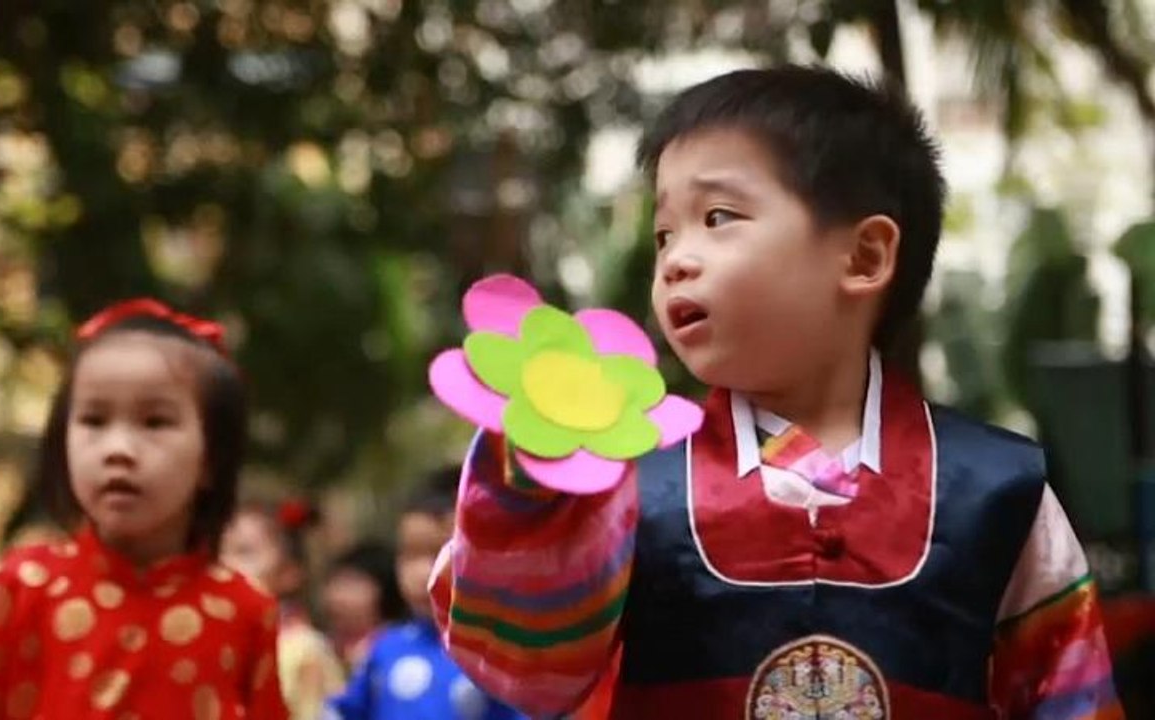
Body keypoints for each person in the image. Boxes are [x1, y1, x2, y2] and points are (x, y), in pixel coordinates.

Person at [429, 66, 1123, 719]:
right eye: (664, 233)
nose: (675, 260)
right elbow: (527, 672)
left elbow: (1074, 700)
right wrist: (530, 487)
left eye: (718, 217)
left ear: (865, 256)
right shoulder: (624, 479)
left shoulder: (1000, 489)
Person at [0, 298, 288, 718]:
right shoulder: (21, 587)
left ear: (211, 458)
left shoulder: (245, 611)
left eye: (155, 422)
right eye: (94, 421)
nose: (118, 450)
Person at [328, 469, 523, 720]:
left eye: (438, 553)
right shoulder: (384, 648)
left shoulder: (503, 656)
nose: (422, 573)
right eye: (410, 554)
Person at [222, 499, 345, 720]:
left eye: (244, 552)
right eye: (217, 552)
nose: (225, 565)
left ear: (288, 572)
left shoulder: (304, 649)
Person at [321, 541, 404, 672]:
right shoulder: (321, 645)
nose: (337, 597)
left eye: (350, 586)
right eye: (335, 584)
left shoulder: (397, 646)